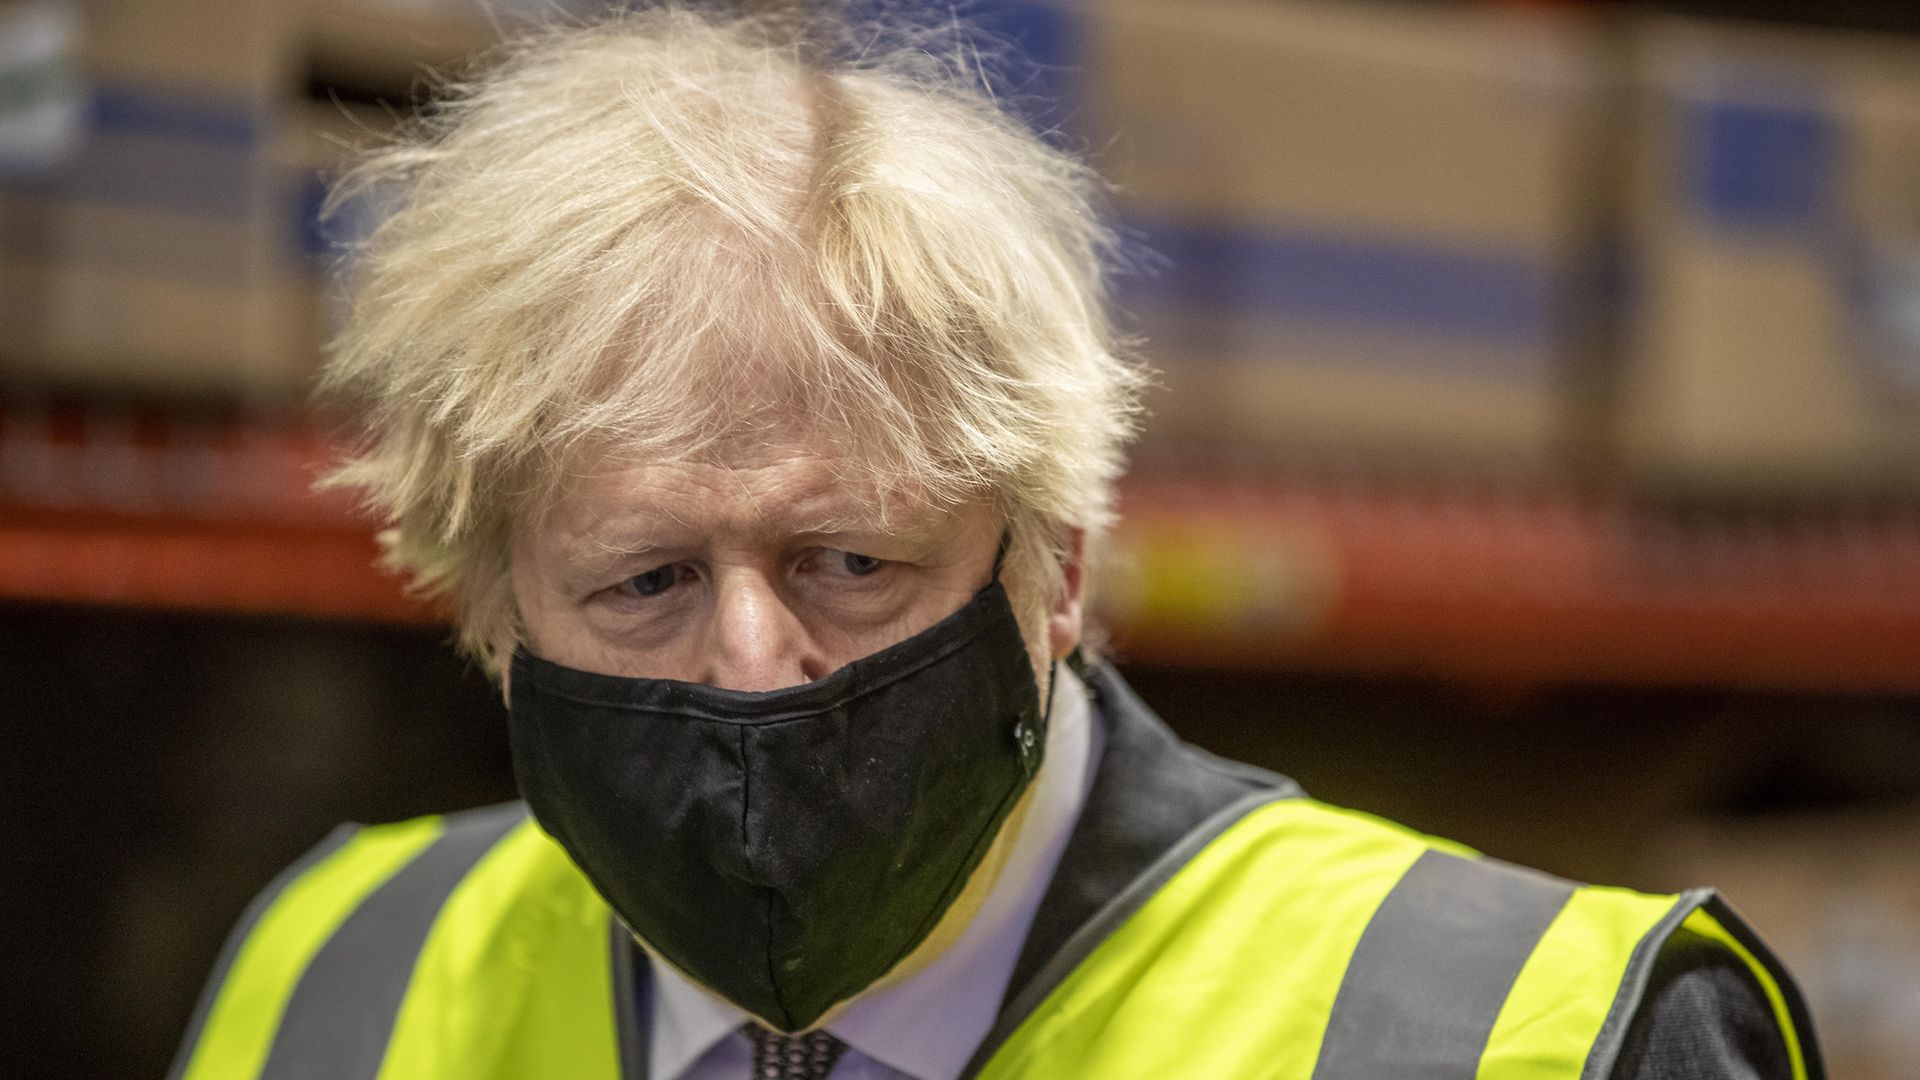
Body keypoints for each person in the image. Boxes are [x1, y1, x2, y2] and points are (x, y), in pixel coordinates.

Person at [168, 6, 1821, 1079]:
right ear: (493, 615)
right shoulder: (335, 985)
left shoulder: (1531, 1037)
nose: (755, 667)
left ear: (1058, 568)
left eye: (850, 561)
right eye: (648, 579)